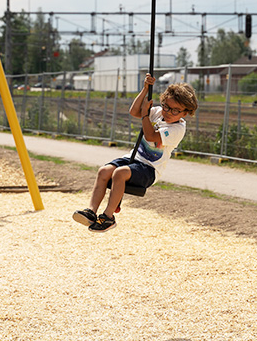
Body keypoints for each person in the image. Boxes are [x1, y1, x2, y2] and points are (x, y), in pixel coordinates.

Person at [73, 73, 198, 233]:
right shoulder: (159, 112)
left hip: (150, 169)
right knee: (104, 171)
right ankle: (91, 211)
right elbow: (134, 111)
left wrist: (146, 114)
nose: (167, 112)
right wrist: (145, 89)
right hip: (133, 159)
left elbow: (150, 136)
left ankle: (108, 217)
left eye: (175, 110)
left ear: (185, 113)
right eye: (166, 106)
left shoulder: (177, 129)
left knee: (119, 173)